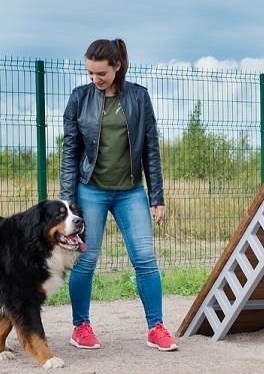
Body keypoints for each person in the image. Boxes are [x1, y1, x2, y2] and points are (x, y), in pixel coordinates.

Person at [60, 38, 178, 352]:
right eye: (89, 74)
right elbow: (70, 154)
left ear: (117, 66)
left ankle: (156, 328)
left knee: (145, 260)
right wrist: (67, 202)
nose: (94, 79)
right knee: (85, 261)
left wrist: (157, 196)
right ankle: (80, 327)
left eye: (101, 73)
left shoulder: (139, 98)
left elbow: (151, 150)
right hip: (91, 191)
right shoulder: (79, 99)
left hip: (131, 192)